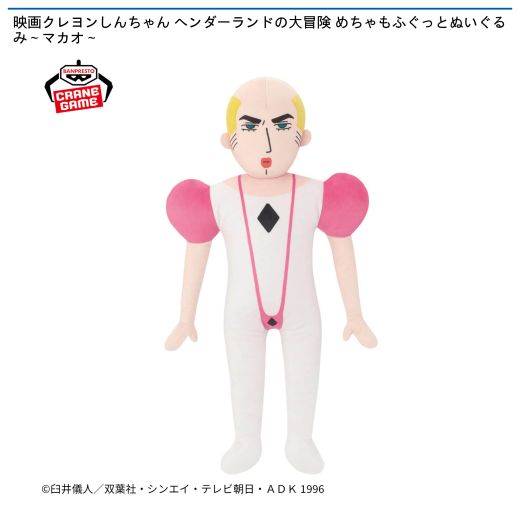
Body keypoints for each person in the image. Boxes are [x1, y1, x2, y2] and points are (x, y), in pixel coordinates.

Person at [165, 77, 377, 474]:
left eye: (281, 126)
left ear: (302, 136)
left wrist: (355, 314)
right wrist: (185, 318)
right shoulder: (217, 197)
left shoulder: (318, 194)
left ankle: (301, 439)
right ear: (228, 139)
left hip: (302, 311)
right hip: (241, 313)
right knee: (243, 377)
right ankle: (246, 440)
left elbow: (342, 247)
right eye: (249, 127)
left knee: (304, 374)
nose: (266, 143)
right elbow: (196, 251)